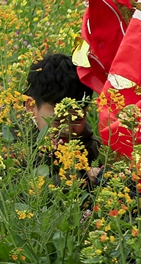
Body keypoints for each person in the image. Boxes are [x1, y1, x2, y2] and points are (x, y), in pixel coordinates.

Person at [24, 53, 102, 183]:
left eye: (77, 120)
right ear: (31, 107)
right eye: (58, 121)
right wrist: (81, 179)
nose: (67, 129)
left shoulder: (88, 142)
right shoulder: (11, 146)